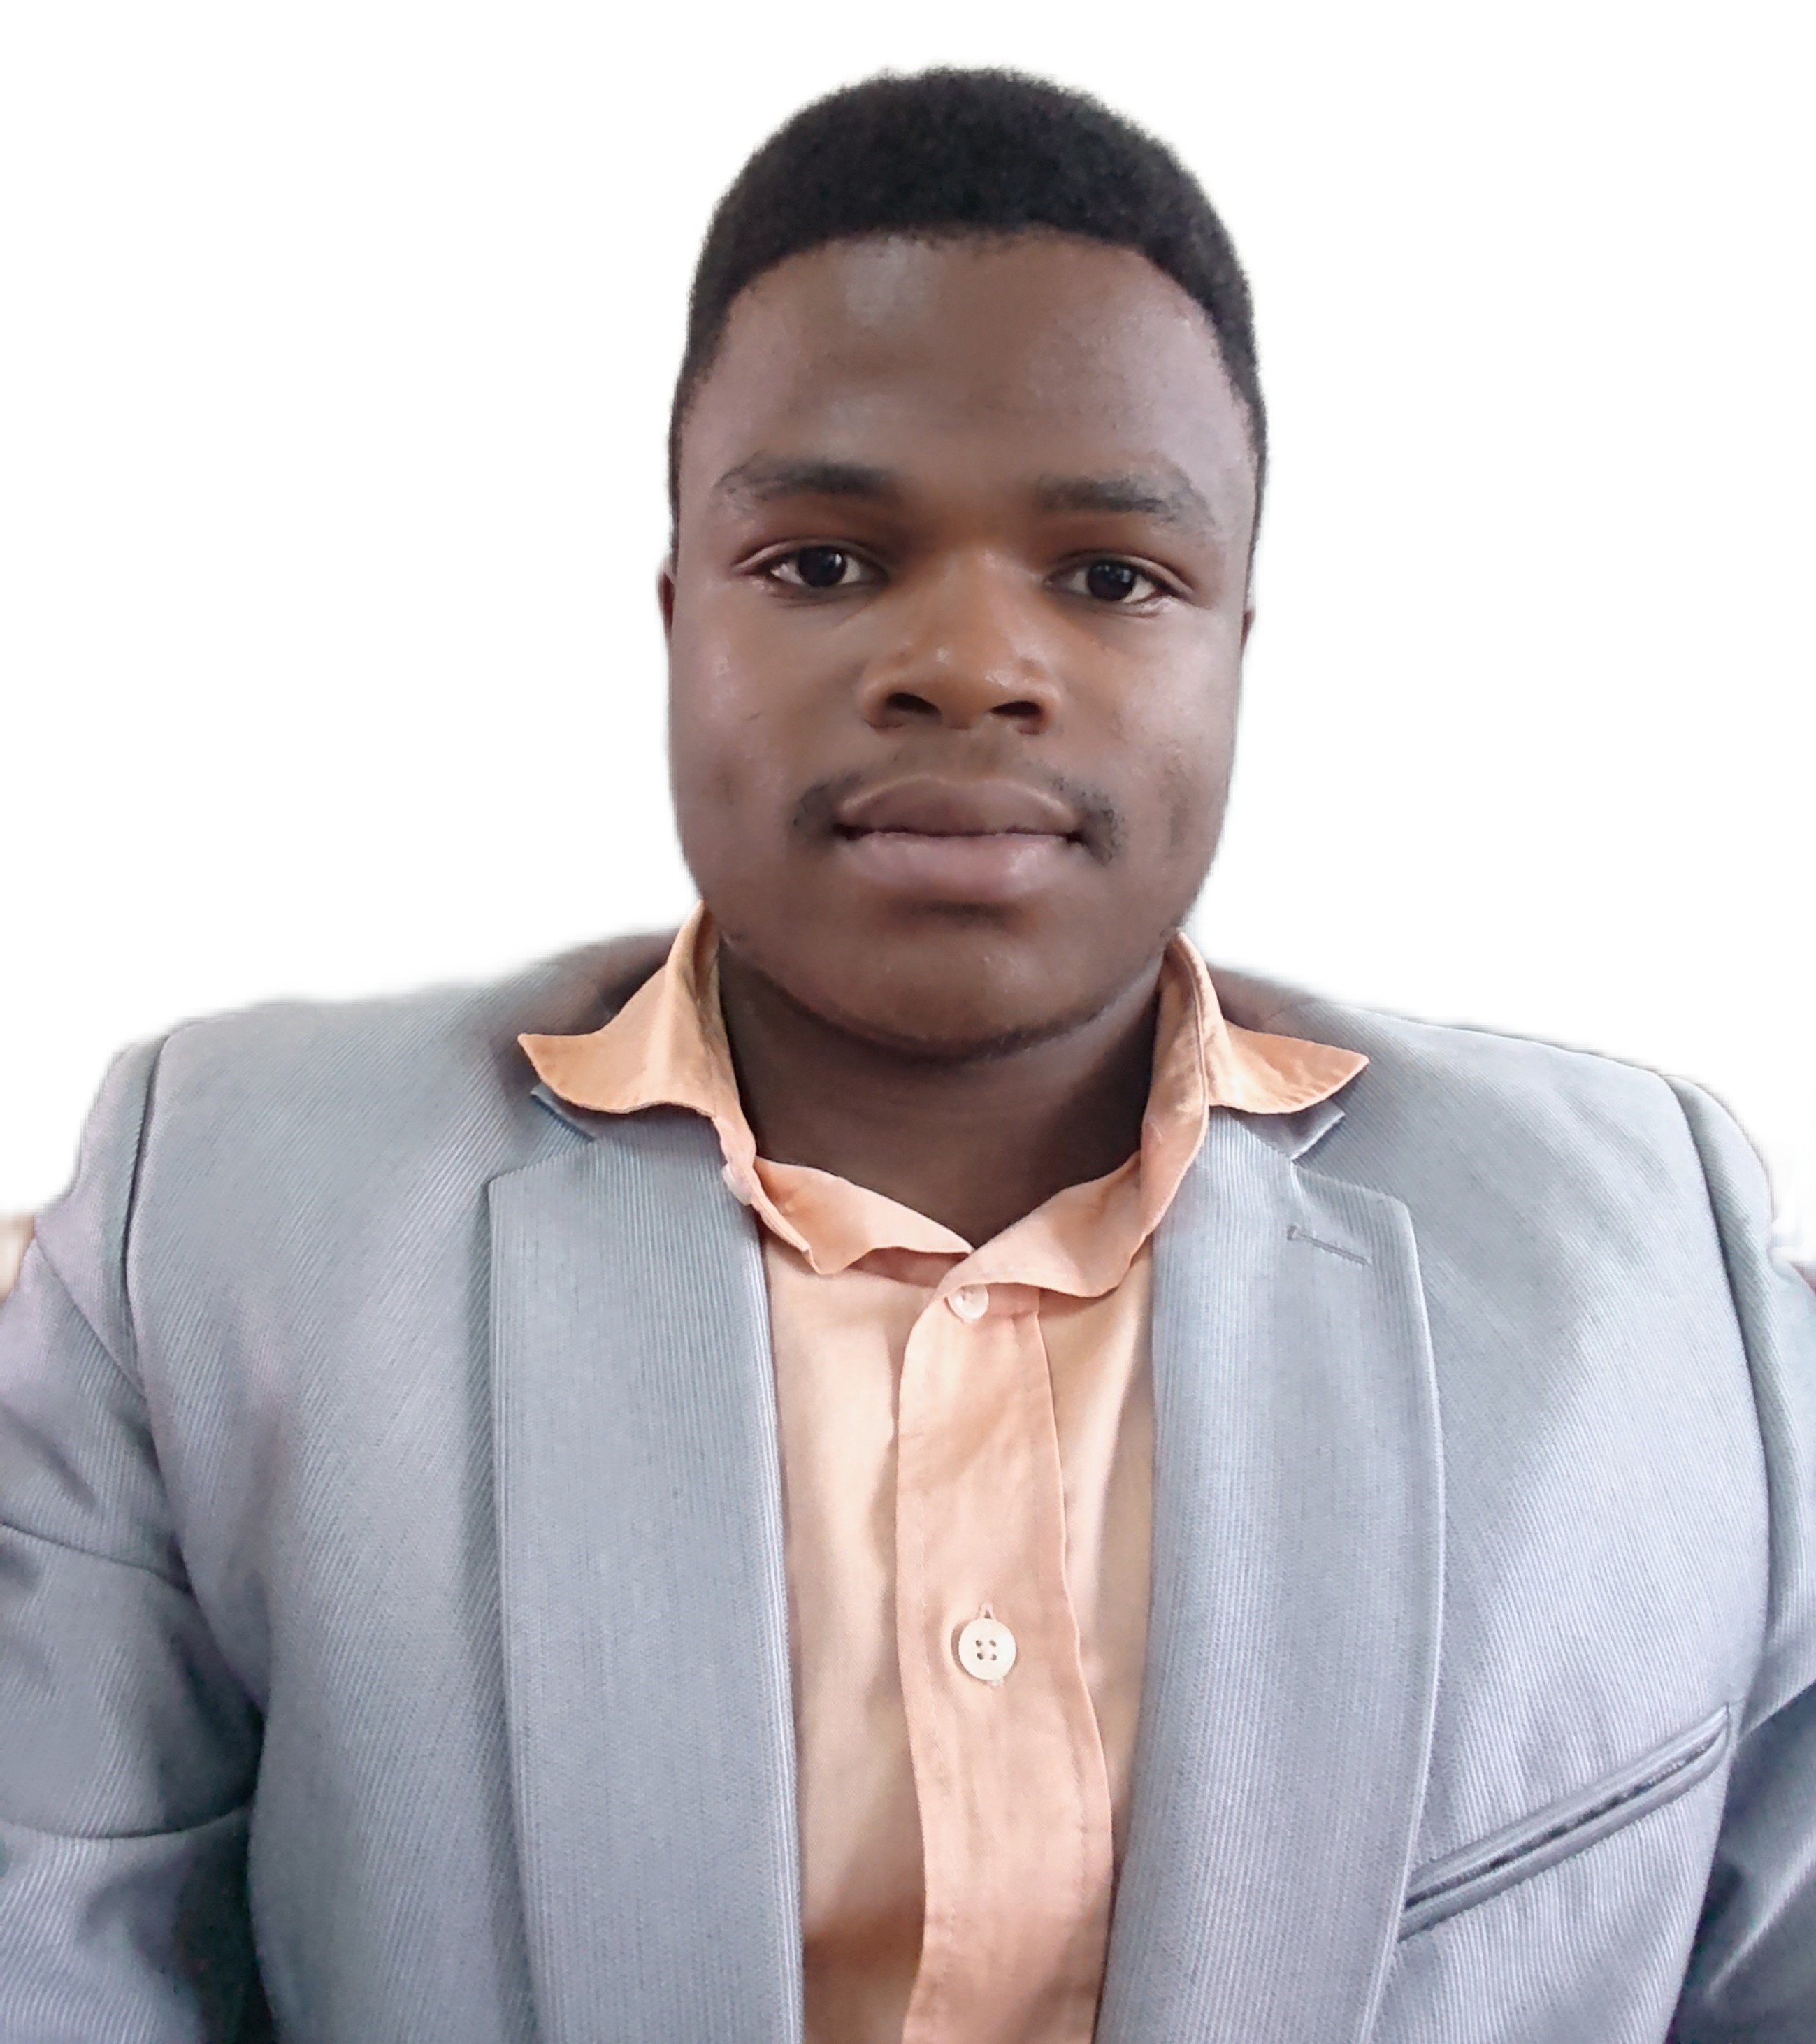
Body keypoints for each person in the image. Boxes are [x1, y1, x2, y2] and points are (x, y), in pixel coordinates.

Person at [1, 68, 1812, 2044]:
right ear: (677, 617)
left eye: (1110, 576)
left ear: (1237, 642)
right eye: (825, 562)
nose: (967, 663)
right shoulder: (217, 1226)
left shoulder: (1656, 1267)